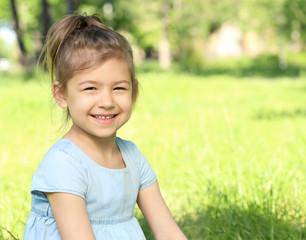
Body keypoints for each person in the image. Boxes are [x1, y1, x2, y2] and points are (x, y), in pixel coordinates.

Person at [23, 13, 187, 240]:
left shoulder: (132, 157)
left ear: (134, 92)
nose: (107, 102)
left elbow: (168, 232)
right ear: (61, 95)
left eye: (119, 88)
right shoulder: (63, 164)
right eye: (91, 88)